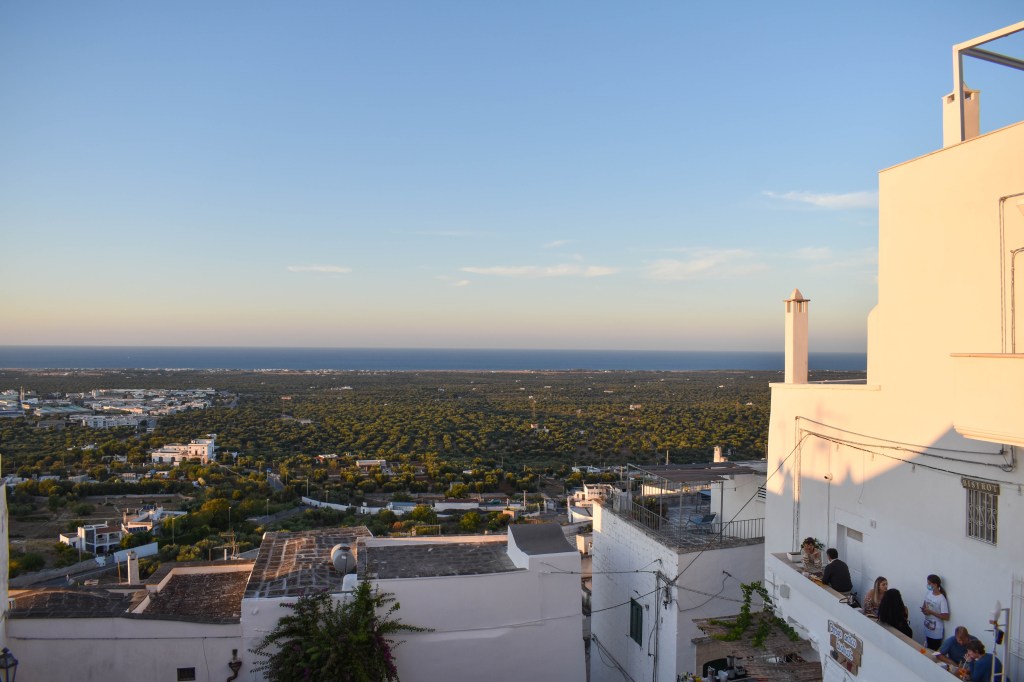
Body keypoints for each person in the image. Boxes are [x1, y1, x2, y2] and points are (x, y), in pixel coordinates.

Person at [921, 574, 950, 650]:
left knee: (933, 649)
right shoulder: (928, 593)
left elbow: (945, 616)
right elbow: (924, 605)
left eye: (929, 583)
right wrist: (924, 610)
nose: (928, 585)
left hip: (936, 630)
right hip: (927, 626)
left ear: (935, 585)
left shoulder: (941, 599)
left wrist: (931, 612)